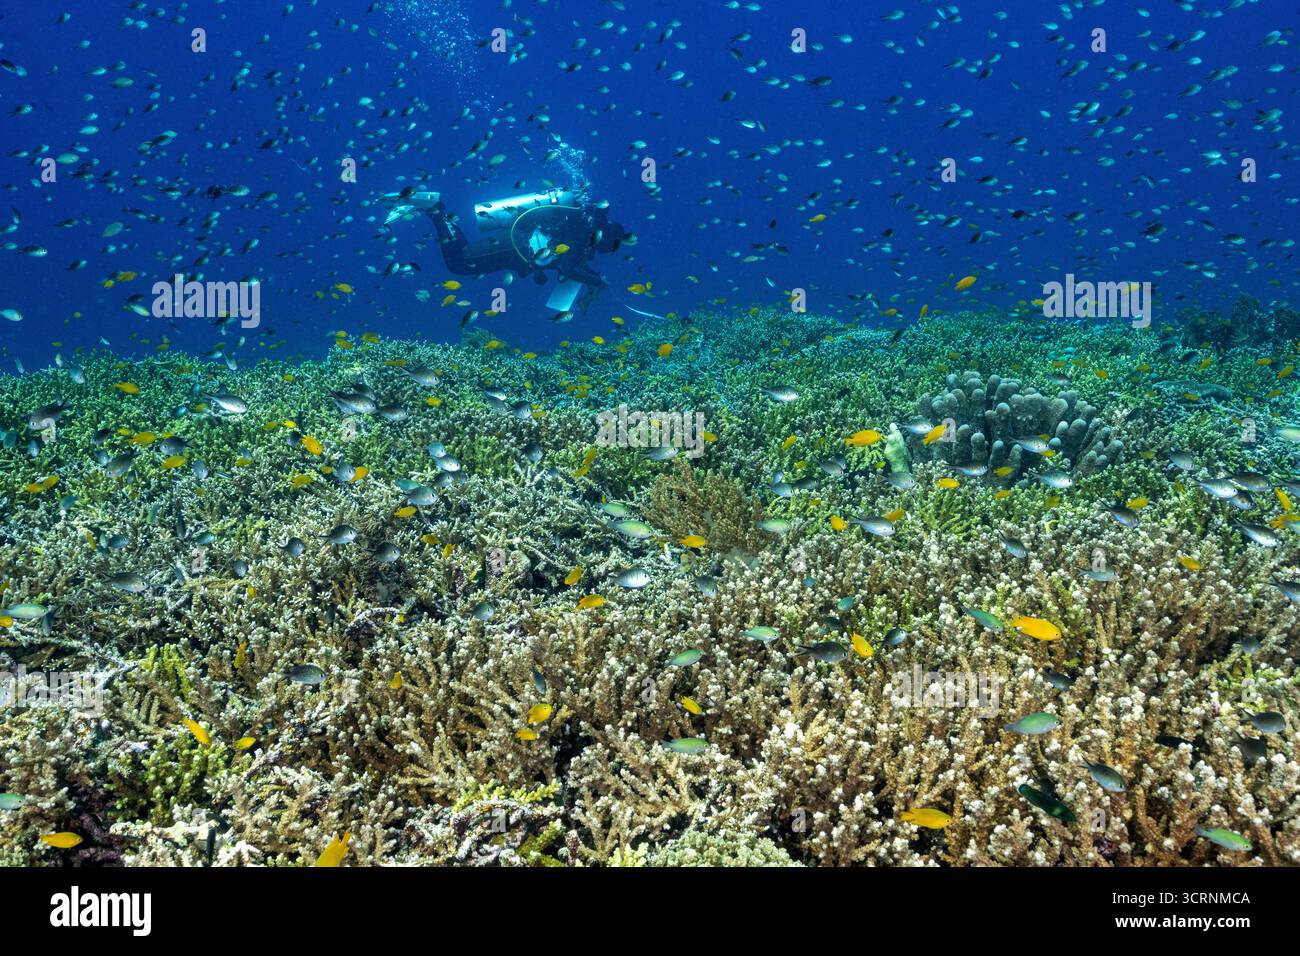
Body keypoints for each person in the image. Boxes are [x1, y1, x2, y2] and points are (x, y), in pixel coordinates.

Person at [383, 186, 626, 312]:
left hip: (515, 249)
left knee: (463, 258)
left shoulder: (581, 232)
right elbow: (570, 268)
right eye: (610, 246)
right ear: (605, 236)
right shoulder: (581, 232)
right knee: (459, 262)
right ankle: (436, 209)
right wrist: (598, 281)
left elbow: (568, 263)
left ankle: (438, 213)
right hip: (513, 245)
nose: (606, 250)